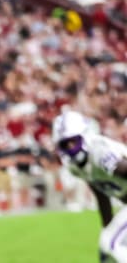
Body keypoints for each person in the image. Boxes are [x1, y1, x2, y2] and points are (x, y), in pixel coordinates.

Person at [52, 110, 127, 262]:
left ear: (84, 135)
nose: (71, 147)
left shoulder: (100, 151)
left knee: (111, 244)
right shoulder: (74, 167)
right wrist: (107, 225)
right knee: (107, 252)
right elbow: (100, 193)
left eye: (74, 141)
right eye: (65, 144)